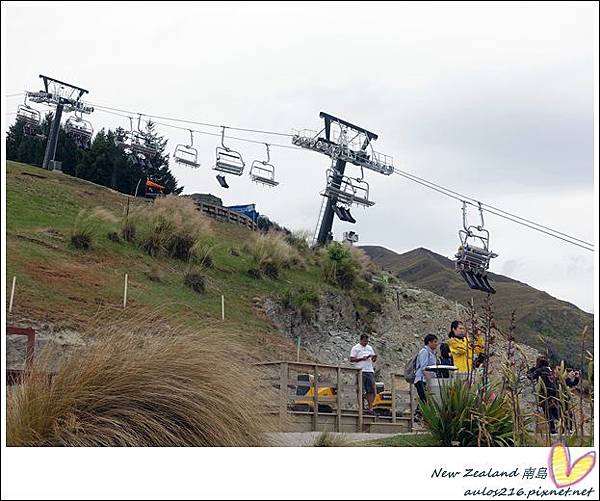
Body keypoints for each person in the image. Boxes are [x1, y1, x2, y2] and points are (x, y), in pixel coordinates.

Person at [527, 356, 559, 435]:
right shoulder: (550, 370)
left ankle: (553, 429)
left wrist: (532, 369)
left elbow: (530, 376)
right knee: (554, 409)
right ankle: (563, 425)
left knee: (547, 410)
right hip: (554, 392)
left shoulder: (539, 370)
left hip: (545, 393)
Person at [350, 334, 378, 414]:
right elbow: (351, 359)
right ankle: (360, 408)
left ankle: (370, 408)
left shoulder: (369, 348)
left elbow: (373, 360)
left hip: (370, 370)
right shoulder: (355, 348)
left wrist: (374, 358)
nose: (366, 343)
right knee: (360, 390)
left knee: (371, 390)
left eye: (367, 341)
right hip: (360, 370)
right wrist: (362, 358)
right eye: (364, 341)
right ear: (361, 340)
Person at [414, 334, 439, 403]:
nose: (436, 344)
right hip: (422, 380)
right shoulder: (424, 352)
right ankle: (419, 413)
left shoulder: (432, 353)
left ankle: (419, 413)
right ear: (429, 342)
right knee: (424, 400)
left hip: (427, 380)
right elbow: (424, 368)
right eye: (435, 342)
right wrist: (430, 381)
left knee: (425, 400)